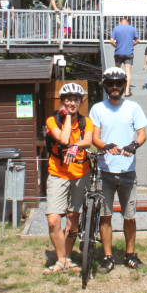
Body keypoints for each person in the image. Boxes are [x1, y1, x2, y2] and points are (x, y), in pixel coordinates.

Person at [89, 67, 147, 272]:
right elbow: (95, 136)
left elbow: (142, 134)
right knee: (105, 216)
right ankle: (107, 256)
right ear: (105, 86)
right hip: (105, 171)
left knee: (129, 216)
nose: (115, 87)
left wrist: (134, 145)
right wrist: (104, 146)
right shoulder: (97, 108)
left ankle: (130, 254)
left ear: (124, 85)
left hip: (127, 172)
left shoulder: (133, 107)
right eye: (110, 84)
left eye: (119, 83)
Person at [42, 83, 94, 274]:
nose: (72, 102)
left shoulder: (86, 122)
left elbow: (88, 141)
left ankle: (66, 258)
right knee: (53, 220)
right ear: (63, 101)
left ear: (81, 101)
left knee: (73, 218)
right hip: (58, 173)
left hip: (80, 173)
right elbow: (63, 140)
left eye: (76, 99)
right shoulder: (52, 120)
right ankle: (61, 258)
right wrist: (68, 117)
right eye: (68, 99)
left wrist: (76, 146)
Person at [109, 17, 139, 96]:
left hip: (118, 53)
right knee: (128, 73)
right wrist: (132, 44)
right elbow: (138, 40)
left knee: (117, 71)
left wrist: (116, 46)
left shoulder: (116, 28)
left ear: (120, 22)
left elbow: (111, 41)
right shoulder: (132, 29)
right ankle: (127, 91)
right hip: (129, 53)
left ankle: (117, 89)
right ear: (128, 22)